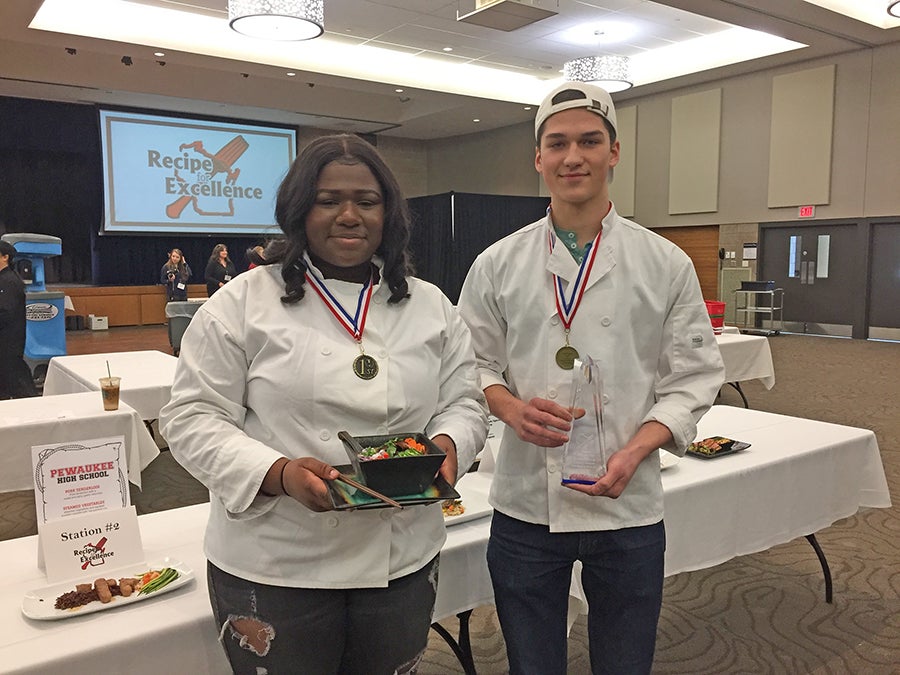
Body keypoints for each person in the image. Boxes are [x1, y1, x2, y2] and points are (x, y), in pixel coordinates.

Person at [159, 133, 488, 674]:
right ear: (298, 209)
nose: (349, 215)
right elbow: (191, 417)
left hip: (401, 553)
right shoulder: (241, 304)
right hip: (276, 560)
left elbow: (465, 402)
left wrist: (450, 445)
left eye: (367, 200)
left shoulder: (431, 306)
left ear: (389, 213)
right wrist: (279, 472)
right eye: (328, 200)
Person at [457, 82, 726, 674]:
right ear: (538, 158)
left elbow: (695, 376)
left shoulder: (664, 262)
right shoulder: (498, 263)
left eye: (588, 140)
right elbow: (467, 366)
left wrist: (637, 449)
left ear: (614, 152)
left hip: (628, 504)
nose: (572, 156)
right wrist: (509, 408)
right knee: (531, 664)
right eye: (557, 143)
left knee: (626, 663)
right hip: (526, 502)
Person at [0, 240, 38, 399]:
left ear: (5, 257)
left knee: (17, 381)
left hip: (8, 343)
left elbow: (5, 311)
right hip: (5, 343)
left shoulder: (9, 281)